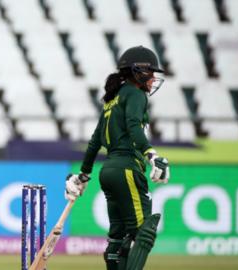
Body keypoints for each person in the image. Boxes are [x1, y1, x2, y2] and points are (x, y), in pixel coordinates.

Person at [65, 46, 170, 270]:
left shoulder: (113, 98)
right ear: (138, 71)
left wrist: (83, 175)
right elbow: (133, 124)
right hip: (127, 169)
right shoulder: (135, 94)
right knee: (143, 233)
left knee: (118, 239)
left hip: (108, 172)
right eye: (151, 73)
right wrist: (151, 154)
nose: (153, 79)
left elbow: (95, 141)